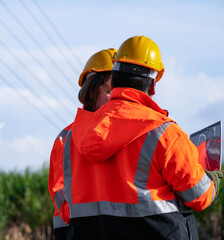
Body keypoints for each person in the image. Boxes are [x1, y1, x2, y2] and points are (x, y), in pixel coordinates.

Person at [63, 35, 224, 239]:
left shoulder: (72, 138)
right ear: (153, 87)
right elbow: (199, 196)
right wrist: (212, 179)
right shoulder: (165, 133)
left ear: (112, 80)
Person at [48, 48, 117, 240]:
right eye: (109, 91)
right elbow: (63, 202)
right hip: (76, 231)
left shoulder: (127, 135)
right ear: (91, 91)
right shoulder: (66, 138)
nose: (116, 99)